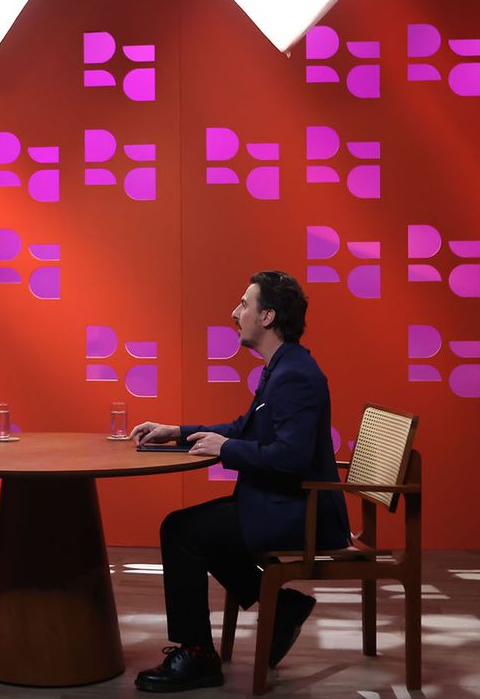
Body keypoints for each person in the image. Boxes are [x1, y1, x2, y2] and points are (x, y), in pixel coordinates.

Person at [130, 270, 351, 692]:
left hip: (300, 513)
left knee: (181, 531)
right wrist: (178, 431)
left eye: (245, 304)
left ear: (268, 317)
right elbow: (244, 428)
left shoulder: (296, 375)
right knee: (195, 530)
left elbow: (291, 458)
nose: (235, 313)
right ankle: (281, 608)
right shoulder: (282, 366)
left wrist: (226, 449)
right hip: (282, 502)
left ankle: (198, 655)